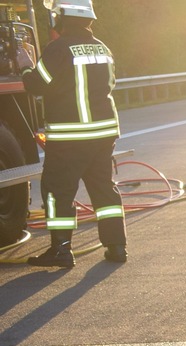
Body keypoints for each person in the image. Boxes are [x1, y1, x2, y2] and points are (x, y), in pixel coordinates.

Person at [17, 0, 126, 268]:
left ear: (60, 17)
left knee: (57, 192)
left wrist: (24, 64)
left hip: (70, 137)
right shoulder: (103, 48)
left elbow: (35, 84)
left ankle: (61, 250)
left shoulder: (58, 49)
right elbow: (107, 84)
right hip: (103, 133)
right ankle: (117, 246)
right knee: (104, 189)